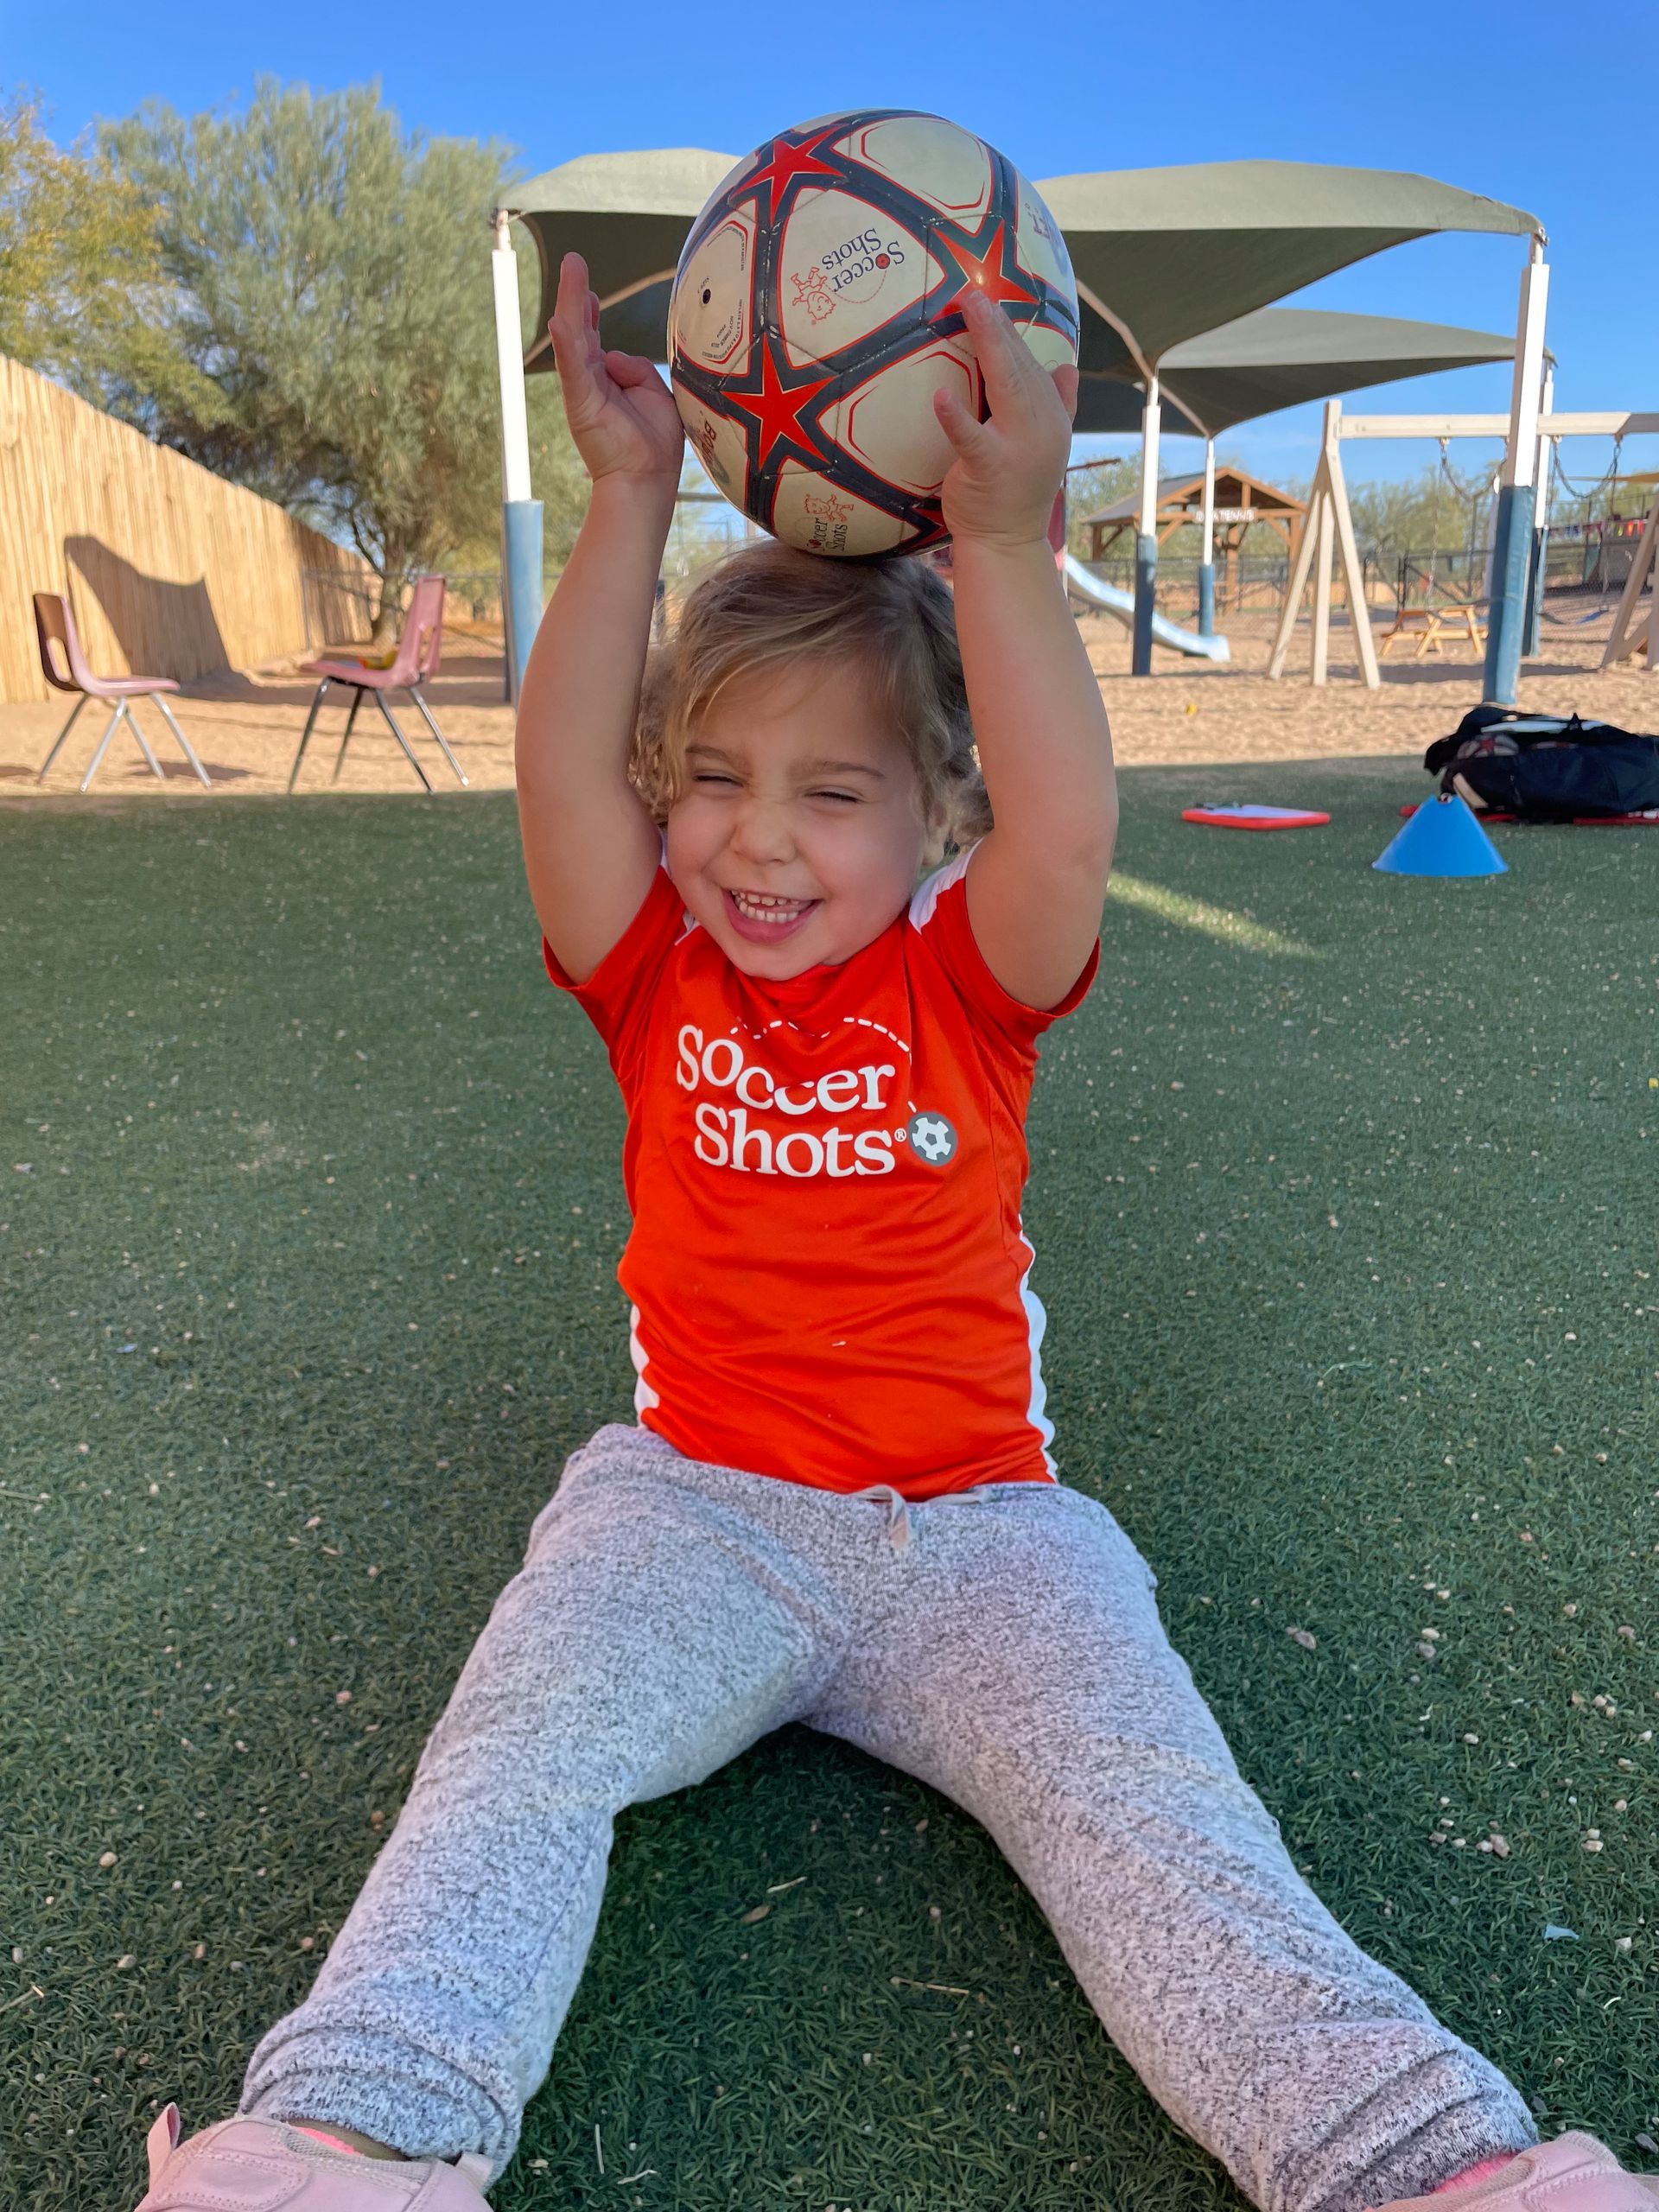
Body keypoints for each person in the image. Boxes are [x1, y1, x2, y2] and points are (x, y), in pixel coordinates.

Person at [133, 251, 1655, 2212]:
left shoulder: (976, 972)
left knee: (1155, 1816)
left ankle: (1428, 2162)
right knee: (515, 1744)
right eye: (714, 781)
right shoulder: (650, 966)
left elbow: (1072, 827)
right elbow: (551, 766)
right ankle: (347, 2131)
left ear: (938, 810)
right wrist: (620, 506)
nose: (758, 837)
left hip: (983, 1530)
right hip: (691, 1504)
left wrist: (1006, 548)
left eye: (831, 792)